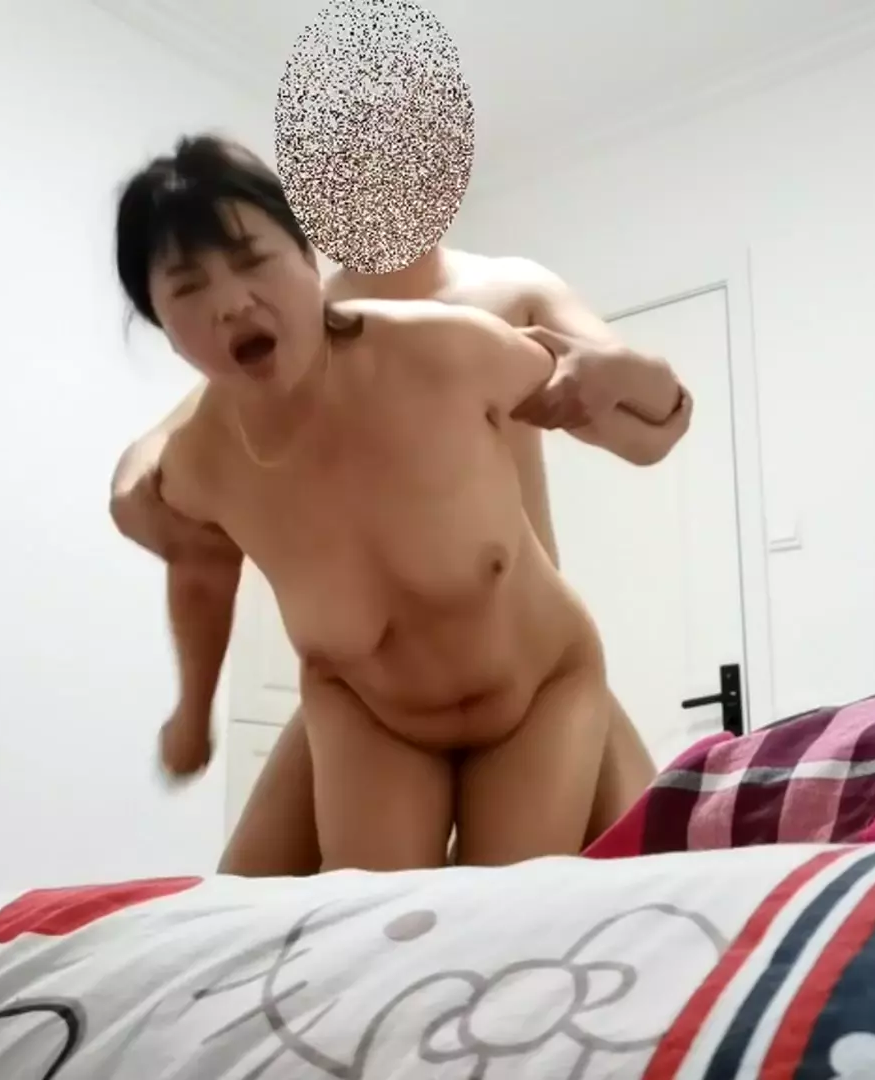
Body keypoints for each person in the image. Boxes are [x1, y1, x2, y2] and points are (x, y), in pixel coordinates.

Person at [109, 135, 690, 871]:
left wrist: (634, 377)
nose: (229, 302)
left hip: (532, 680)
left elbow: (643, 422)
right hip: (370, 705)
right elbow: (195, 546)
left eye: (252, 261)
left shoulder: (463, 329)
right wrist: (191, 716)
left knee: (529, 903)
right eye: (189, 288)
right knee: (347, 915)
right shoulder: (226, 425)